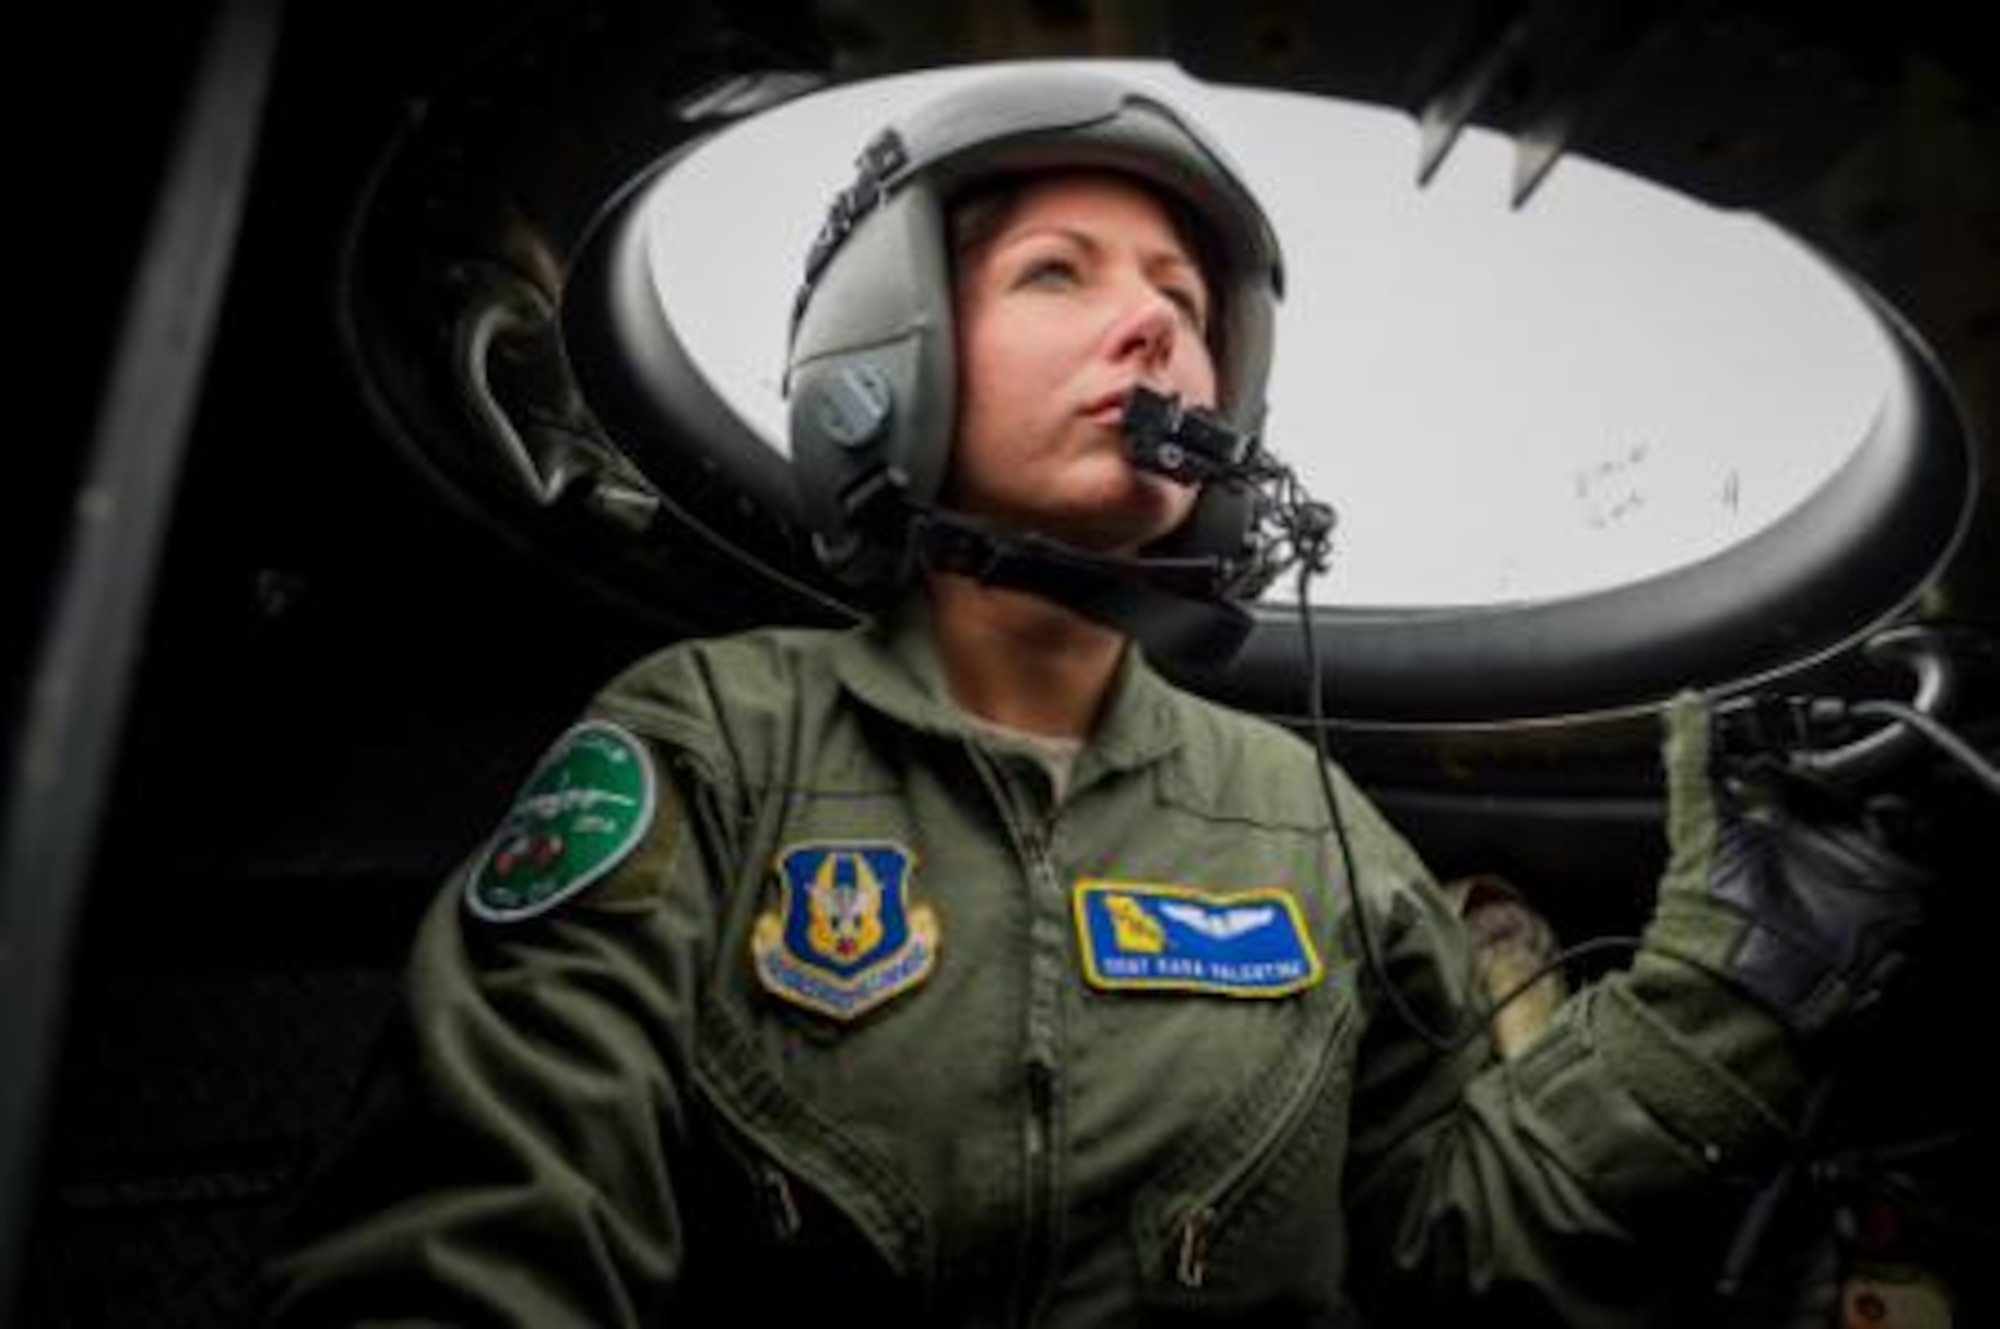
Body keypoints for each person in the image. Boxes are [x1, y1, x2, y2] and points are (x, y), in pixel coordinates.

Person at [257, 68, 1927, 1326]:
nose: (1155, 331)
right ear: (889, 353)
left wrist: (1734, 990)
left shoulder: (1313, 832)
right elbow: (471, 1240)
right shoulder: (710, 742)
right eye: (1059, 272)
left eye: (1186, 305)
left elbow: (1457, 1249)